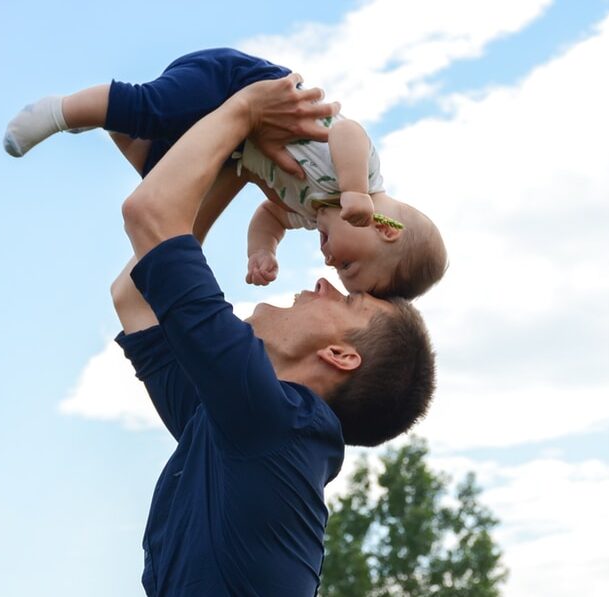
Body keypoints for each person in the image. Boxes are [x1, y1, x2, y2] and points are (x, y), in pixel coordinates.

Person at [109, 74, 436, 595]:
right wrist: (237, 167)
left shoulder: (274, 422)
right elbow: (136, 291)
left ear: (339, 355)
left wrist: (247, 110)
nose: (326, 282)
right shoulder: (238, 424)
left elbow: (147, 215)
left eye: (348, 300)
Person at [3, 48, 447, 299]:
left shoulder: (311, 212)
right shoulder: (361, 180)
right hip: (240, 84)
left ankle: (108, 116)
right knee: (154, 109)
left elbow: (269, 216)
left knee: (164, 172)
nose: (330, 261)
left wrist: (262, 250)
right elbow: (349, 132)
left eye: (338, 270)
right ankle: (60, 111)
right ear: (386, 230)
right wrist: (353, 190)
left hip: (236, 139)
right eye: (349, 264)